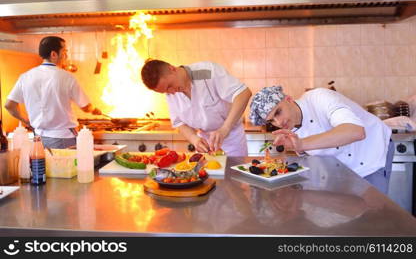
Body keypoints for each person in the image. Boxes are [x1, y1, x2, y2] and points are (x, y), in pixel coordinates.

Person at [249, 86, 394, 194]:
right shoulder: (290, 127)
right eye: (272, 121)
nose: (278, 122)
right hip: (342, 167)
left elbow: (355, 131)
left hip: (370, 151)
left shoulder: (319, 98)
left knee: (374, 219)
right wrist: (297, 149)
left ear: (289, 99)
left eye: (278, 112)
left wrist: (302, 144)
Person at [5, 36, 102, 149]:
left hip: (38, 138)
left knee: (43, 167)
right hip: (63, 138)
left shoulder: (26, 76)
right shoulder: (67, 77)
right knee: (64, 167)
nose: (66, 55)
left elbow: (9, 105)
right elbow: (85, 107)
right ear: (54, 54)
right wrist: (94, 109)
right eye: (64, 51)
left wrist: (26, 120)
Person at [141, 59, 252, 156]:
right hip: (205, 145)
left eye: (169, 86)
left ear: (172, 69)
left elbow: (243, 93)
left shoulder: (208, 72)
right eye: (166, 91)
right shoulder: (170, 93)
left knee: (234, 178)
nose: (172, 92)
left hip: (232, 139)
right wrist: (194, 139)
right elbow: (179, 123)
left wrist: (225, 129)